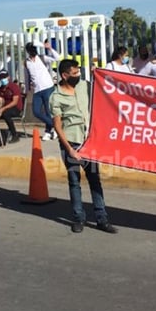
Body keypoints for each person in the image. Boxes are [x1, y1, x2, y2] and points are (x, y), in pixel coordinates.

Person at [51, 58, 117, 234]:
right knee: (74, 182)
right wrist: (69, 149)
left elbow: (103, 92)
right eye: (74, 73)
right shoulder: (56, 97)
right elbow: (58, 126)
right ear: (65, 76)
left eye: (79, 72)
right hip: (72, 142)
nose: (78, 75)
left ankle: (102, 219)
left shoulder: (84, 86)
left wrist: (100, 74)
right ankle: (78, 218)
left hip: (89, 141)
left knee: (95, 180)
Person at [24, 40, 60, 141]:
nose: (33, 51)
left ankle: (48, 132)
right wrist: (27, 90)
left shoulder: (42, 58)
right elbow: (27, 76)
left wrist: (49, 48)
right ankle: (54, 126)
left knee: (49, 111)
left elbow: (57, 58)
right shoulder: (26, 62)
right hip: (37, 90)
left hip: (48, 86)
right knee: (36, 111)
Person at [0, 70, 23, 144]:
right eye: (1, 78)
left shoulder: (14, 87)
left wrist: (3, 109)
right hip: (5, 107)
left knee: (5, 114)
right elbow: (0, 100)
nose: (3, 79)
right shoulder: (0, 89)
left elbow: (15, 102)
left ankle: (14, 134)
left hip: (16, 108)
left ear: (8, 77)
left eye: (4, 77)